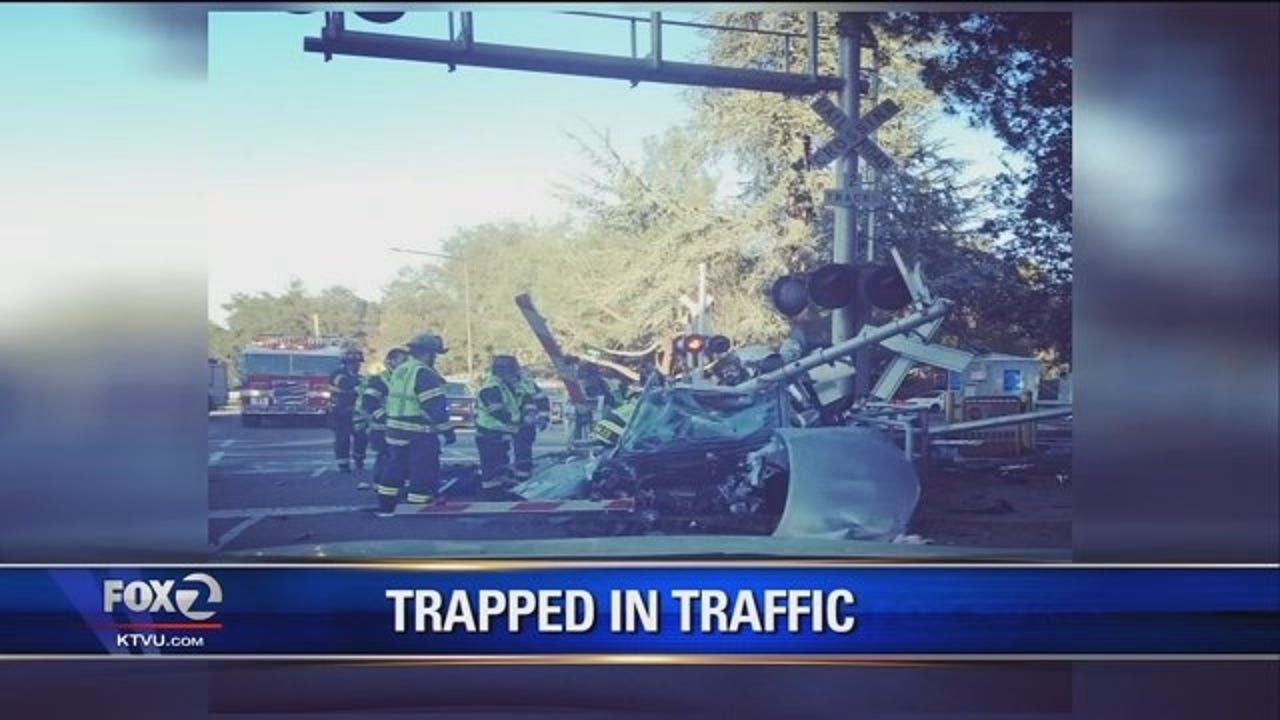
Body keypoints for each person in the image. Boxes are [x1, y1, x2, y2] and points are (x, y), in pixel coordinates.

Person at [378, 333, 455, 516]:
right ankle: (416, 507)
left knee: (395, 466)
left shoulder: (401, 370)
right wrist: (447, 431)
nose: (435, 359)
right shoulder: (424, 373)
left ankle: (386, 505)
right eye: (435, 355)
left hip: (395, 430)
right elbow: (434, 407)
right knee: (423, 470)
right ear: (429, 354)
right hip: (419, 431)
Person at [359, 347, 408, 491]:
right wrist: (383, 417)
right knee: (385, 456)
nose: (405, 364)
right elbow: (368, 401)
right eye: (402, 360)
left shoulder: (402, 378)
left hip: (398, 426)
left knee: (397, 457)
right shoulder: (380, 379)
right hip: (382, 428)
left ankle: (392, 486)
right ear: (390, 361)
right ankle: (380, 486)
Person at [474, 355, 523, 494]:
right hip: (489, 435)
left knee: (500, 468)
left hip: (497, 435)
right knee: (491, 470)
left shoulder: (502, 386)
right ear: (504, 371)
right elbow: (498, 412)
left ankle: (498, 492)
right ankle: (491, 495)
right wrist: (519, 421)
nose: (515, 374)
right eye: (513, 371)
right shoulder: (492, 388)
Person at [328, 348, 367, 473]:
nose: (356, 365)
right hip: (341, 412)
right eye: (352, 363)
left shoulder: (361, 378)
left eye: (358, 363)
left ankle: (359, 458)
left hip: (357, 413)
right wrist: (356, 388)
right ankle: (343, 464)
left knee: (361, 437)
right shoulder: (338, 374)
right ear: (345, 363)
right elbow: (344, 385)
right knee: (342, 439)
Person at [513, 364, 551, 483]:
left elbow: (542, 400)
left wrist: (544, 418)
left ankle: (523, 480)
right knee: (502, 457)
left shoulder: (528, 383)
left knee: (523, 454)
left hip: (525, 426)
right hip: (507, 425)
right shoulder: (500, 385)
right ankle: (507, 483)